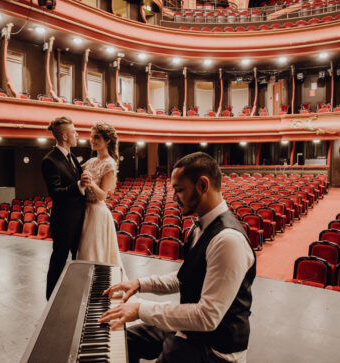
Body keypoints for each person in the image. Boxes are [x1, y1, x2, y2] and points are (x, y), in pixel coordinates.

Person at [99, 152, 256, 363]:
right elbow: (186, 278)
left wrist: (140, 309)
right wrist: (139, 284)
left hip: (216, 349)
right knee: (123, 339)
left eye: (179, 190)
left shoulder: (228, 240)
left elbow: (207, 317)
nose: (174, 198)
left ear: (202, 185)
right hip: (190, 331)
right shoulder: (199, 228)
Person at [41, 116, 92, 300]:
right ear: (64, 135)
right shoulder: (50, 160)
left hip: (79, 220)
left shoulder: (72, 157)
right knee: (58, 263)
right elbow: (56, 192)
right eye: (74, 132)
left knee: (77, 261)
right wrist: (78, 185)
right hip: (64, 223)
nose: (77, 134)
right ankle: (51, 299)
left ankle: (74, 295)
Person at [77, 122, 124, 270]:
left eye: (96, 137)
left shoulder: (109, 164)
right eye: (91, 137)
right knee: (83, 253)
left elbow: (102, 195)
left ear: (107, 140)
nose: (92, 140)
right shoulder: (91, 162)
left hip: (97, 214)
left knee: (92, 253)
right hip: (84, 212)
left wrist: (90, 183)